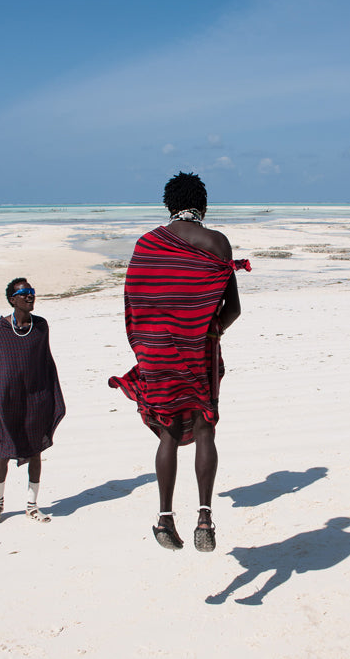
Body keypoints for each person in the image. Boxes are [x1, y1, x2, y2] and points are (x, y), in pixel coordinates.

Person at [109, 172, 250, 551]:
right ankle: (204, 516)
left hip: (156, 351)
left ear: (169, 205)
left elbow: (136, 303)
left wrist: (146, 346)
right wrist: (211, 329)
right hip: (200, 346)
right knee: (205, 428)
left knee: (168, 431)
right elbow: (233, 308)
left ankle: (165, 519)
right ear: (202, 205)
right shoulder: (217, 243)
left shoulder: (147, 244)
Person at [0, 278, 65, 524]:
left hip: (36, 399)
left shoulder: (41, 327)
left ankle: (32, 506)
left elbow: (46, 363)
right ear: (12, 299)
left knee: (35, 452)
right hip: (7, 400)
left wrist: (50, 396)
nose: (30, 296)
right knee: (4, 452)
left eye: (31, 292)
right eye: (24, 293)